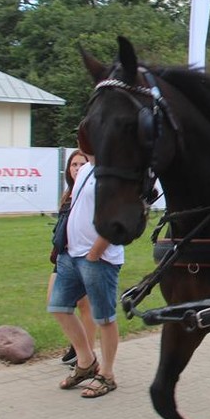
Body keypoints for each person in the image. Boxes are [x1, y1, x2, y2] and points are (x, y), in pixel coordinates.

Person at [48, 138, 125, 398]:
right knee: (59, 307)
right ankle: (85, 362)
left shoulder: (116, 173)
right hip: (71, 255)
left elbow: (119, 218)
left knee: (104, 318)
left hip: (98, 258)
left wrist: (95, 253)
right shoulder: (85, 170)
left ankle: (108, 374)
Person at [48, 149, 96, 365]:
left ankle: (86, 353)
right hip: (63, 255)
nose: (77, 169)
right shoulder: (68, 193)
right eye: (73, 165)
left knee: (84, 305)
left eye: (81, 164)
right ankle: (79, 346)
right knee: (55, 302)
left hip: (83, 255)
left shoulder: (89, 190)